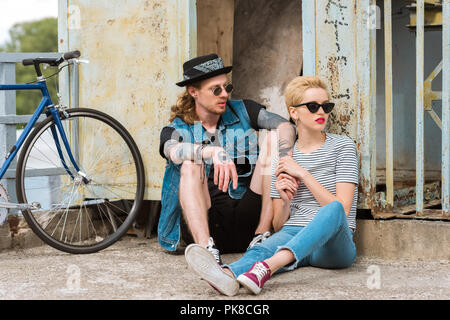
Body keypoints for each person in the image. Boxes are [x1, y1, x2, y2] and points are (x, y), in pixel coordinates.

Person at [184, 75, 359, 296]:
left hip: (333, 246)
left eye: (327, 106)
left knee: (332, 209)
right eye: (313, 107)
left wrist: (303, 174)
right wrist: (285, 201)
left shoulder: (342, 146)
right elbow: (279, 224)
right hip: (294, 237)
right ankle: (226, 275)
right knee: (260, 249)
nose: (321, 112)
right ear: (294, 112)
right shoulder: (283, 158)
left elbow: (342, 211)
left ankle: (266, 269)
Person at [157, 53, 296, 264]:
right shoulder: (177, 128)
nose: (224, 94)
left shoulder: (244, 110)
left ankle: (261, 236)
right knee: (189, 162)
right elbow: (172, 150)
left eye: (226, 87)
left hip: (247, 218)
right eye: (216, 89)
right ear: (193, 91)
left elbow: (286, 126)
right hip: (208, 223)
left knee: (275, 138)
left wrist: (285, 158)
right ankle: (206, 252)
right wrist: (209, 151)